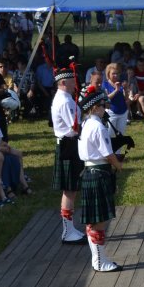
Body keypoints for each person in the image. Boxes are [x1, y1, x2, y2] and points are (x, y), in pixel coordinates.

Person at [77, 85, 125, 272]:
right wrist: (119, 166)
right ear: (95, 107)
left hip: (90, 172)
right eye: (103, 105)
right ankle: (100, 261)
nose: (105, 108)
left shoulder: (86, 123)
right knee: (99, 220)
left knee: (94, 219)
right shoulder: (98, 126)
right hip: (98, 173)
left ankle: (98, 259)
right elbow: (108, 154)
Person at [52, 66, 87, 245]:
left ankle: (70, 229)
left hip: (69, 145)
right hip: (68, 145)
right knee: (70, 189)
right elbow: (75, 127)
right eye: (73, 80)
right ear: (64, 82)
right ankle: (68, 231)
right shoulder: (64, 101)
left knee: (71, 189)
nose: (76, 83)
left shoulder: (66, 98)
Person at [102, 62, 129, 157]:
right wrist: (116, 90)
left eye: (117, 73)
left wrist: (126, 89)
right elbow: (106, 98)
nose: (116, 75)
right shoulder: (105, 84)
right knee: (109, 134)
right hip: (111, 112)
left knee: (120, 134)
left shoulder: (121, 83)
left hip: (123, 111)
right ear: (108, 74)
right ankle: (108, 154)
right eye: (113, 73)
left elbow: (126, 98)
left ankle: (117, 154)